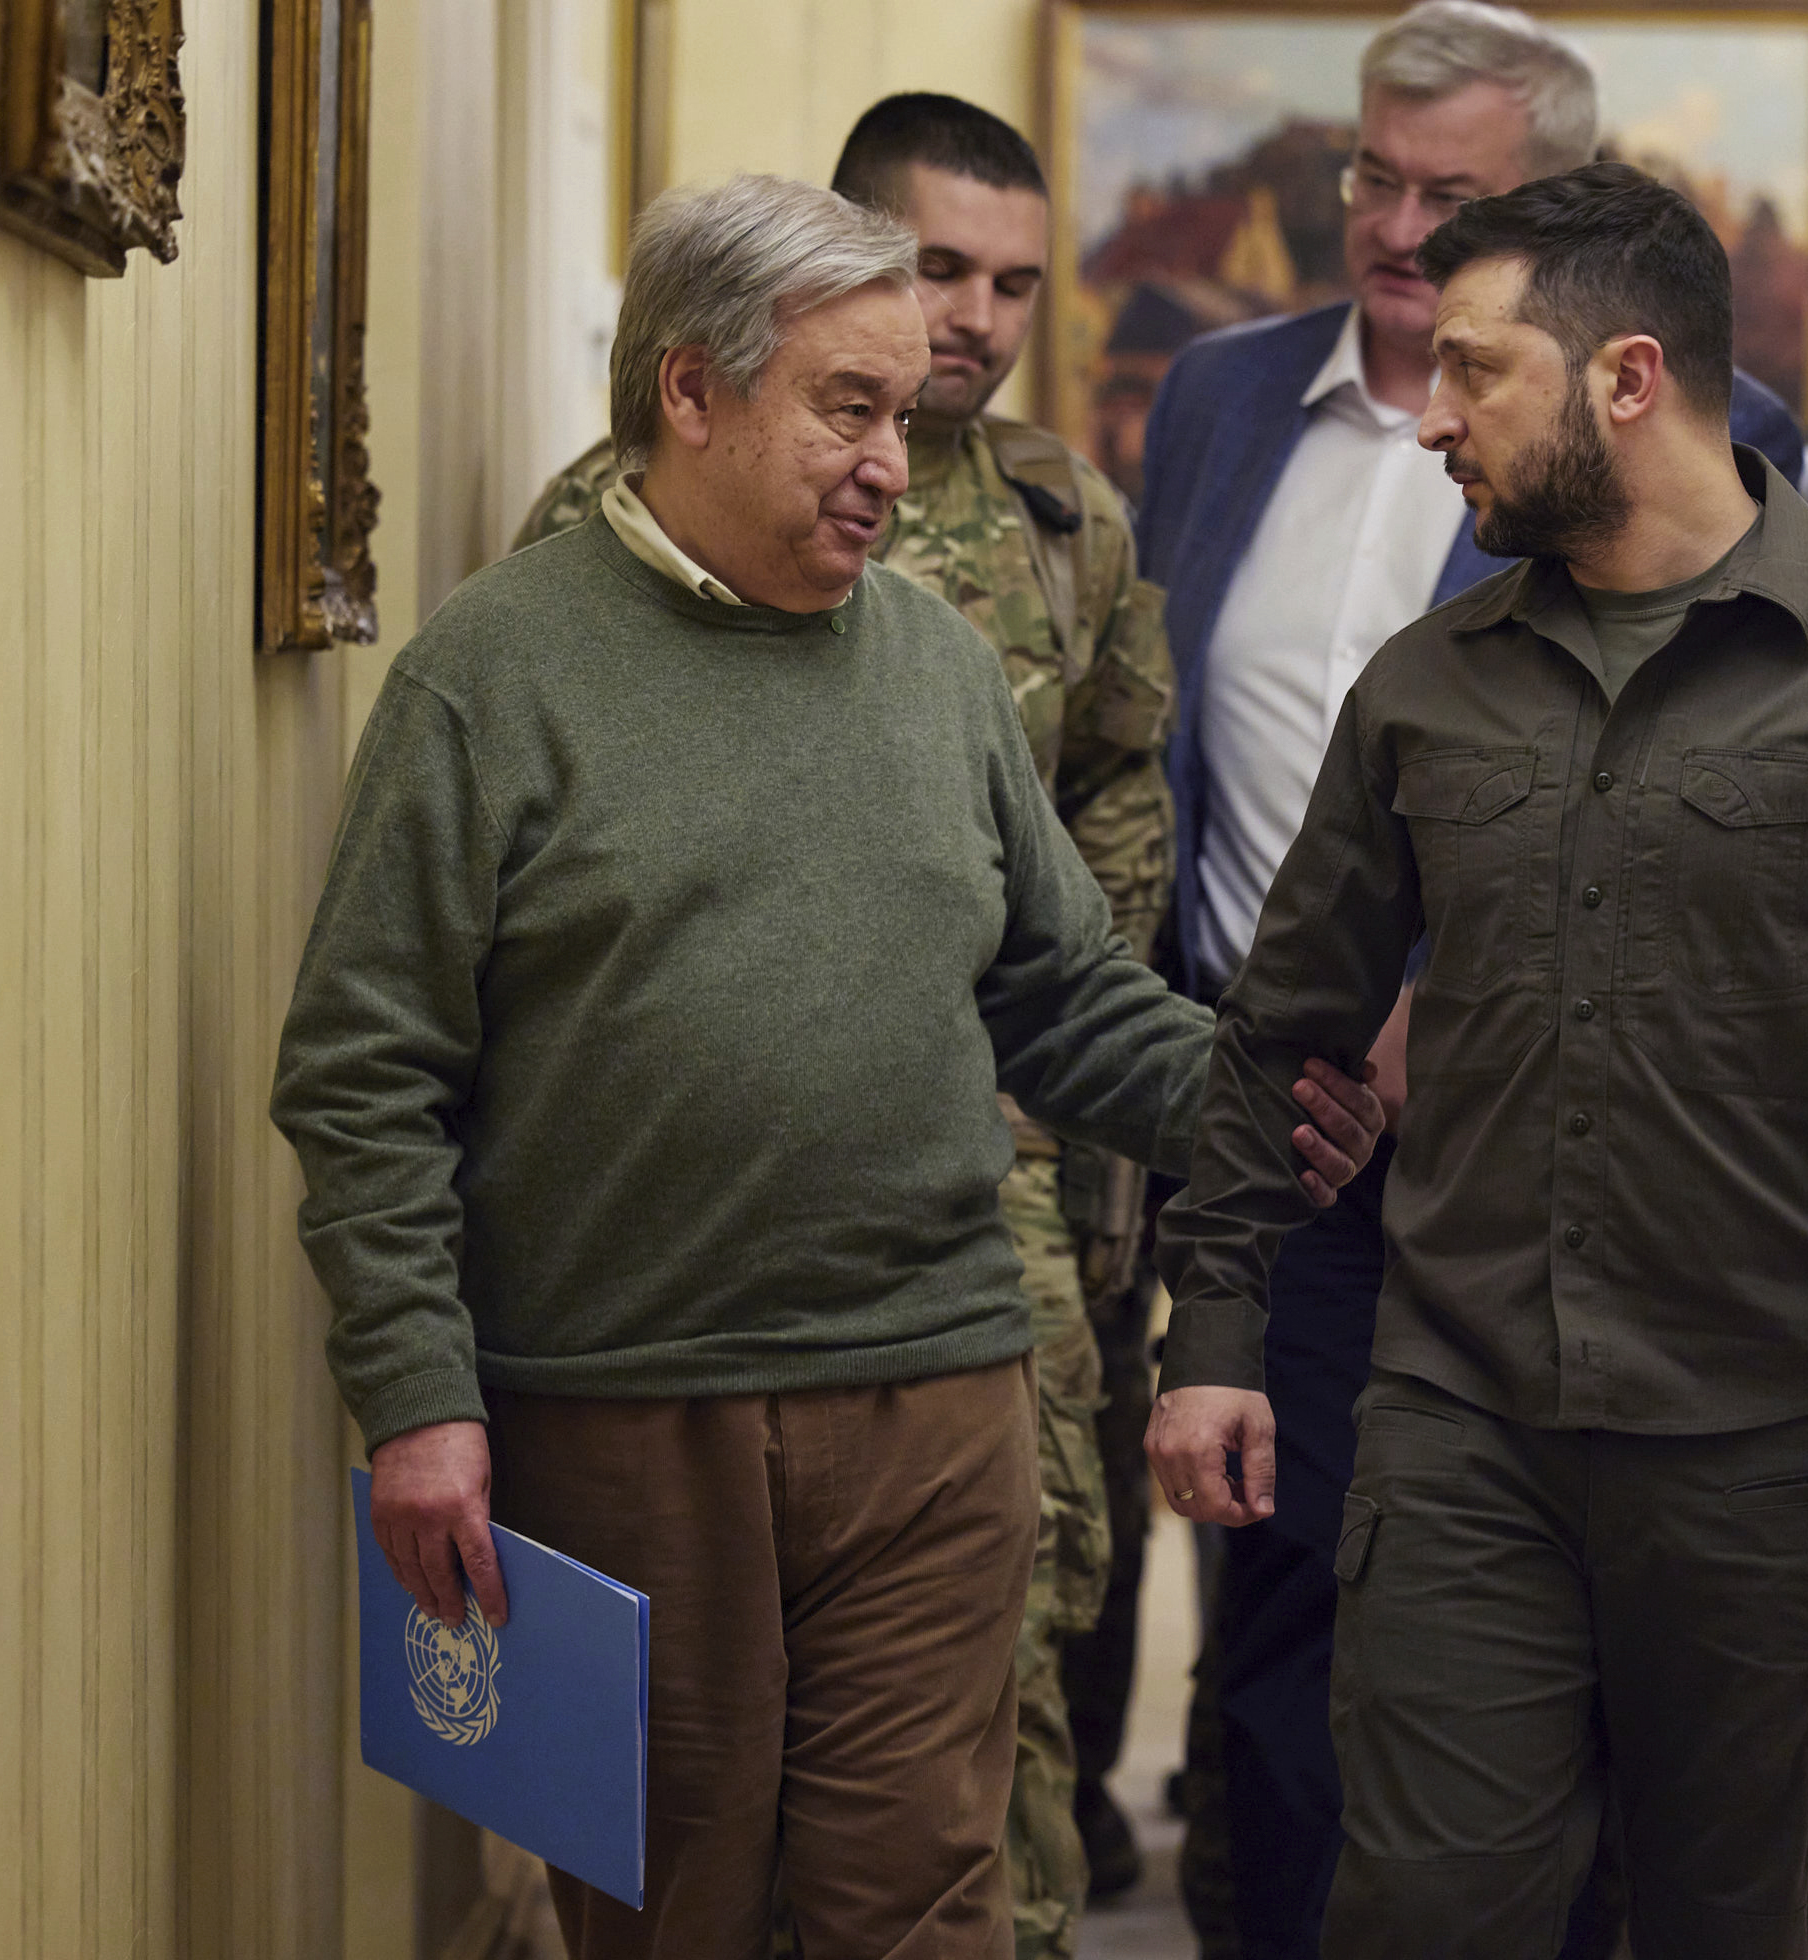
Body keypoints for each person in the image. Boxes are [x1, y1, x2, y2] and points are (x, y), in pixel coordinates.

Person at [272, 173, 1383, 1960]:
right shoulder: (490, 675)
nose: (889, 465)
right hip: (626, 1413)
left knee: (921, 1904)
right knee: (677, 1915)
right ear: (690, 392)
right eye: (846, 410)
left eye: (906, 417)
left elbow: (1061, 999)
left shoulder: (936, 669)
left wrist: (1281, 1103)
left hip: (935, 1395)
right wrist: (417, 1396)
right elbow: (362, 1072)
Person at [1148, 160, 1808, 1960]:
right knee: (1425, 1916)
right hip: (1462, 1433)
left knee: (1733, 1924)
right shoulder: (1424, 690)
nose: (1435, 420)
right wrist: (1215, 1333)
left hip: (1772, 1453)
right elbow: (1282, 1028)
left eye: (1475, 371)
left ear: (1628, 379)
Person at [1129, 7, 1807, 1951]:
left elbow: (1684, 788)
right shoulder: (1219, 397)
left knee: (1530, 1654)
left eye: (1455, 192)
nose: (1397, 225)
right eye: (1374, 173)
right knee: (1283, 1627)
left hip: (1533, 1142)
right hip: (1278, 1121)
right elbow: (1159, 744)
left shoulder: (1717, 440)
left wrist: (1448, 995)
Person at [514, 95, 1171, 1958]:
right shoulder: (557, 603)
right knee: (680, 1845)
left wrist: (1194, 1117)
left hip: (965, 1244)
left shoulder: (1039, 537)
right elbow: (406, 1042)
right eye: (937, 274)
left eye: (1013, 286)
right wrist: (438, 1386)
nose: (974, 323)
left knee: (967, 1754)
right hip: (651, 1328)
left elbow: (1093, 877)